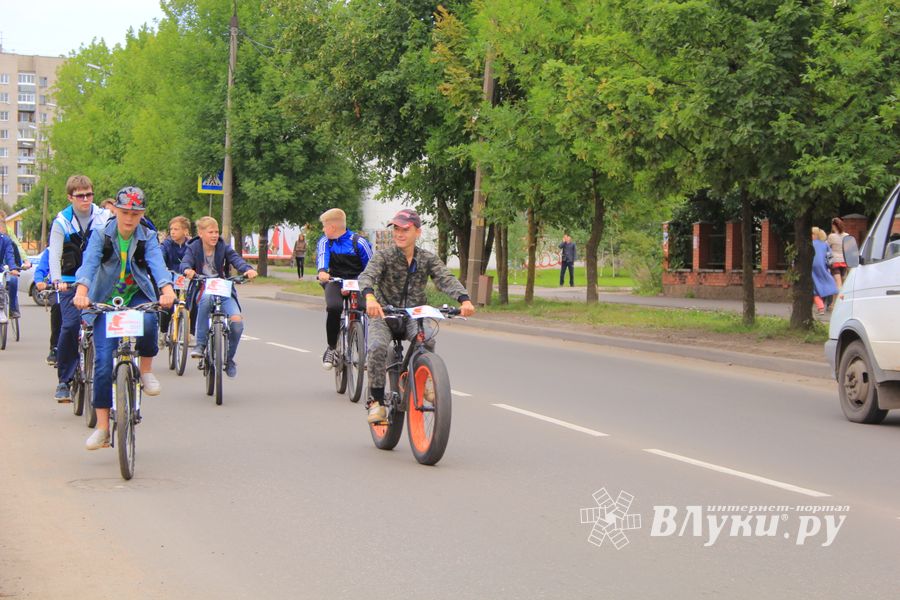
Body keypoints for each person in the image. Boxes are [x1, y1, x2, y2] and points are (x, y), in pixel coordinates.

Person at [72, 186, 175, 450]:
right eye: (125, 212)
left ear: (142, 214)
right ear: (116, 210)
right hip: (105, 298)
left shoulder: (148, 236)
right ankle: (104, 427)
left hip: (137, 295)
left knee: (151, 320)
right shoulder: (101, 234)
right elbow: (90, 263)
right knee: (104, 362)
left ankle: (147, 371)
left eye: (135, 213)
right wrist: (82, 292)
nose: (129, 218)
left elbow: (157, 265)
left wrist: (166, 290)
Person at [358, 208, 475, 423]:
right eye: (396, 229)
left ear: (417, 232)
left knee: (427, 339)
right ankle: (375, 401)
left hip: (414, 316)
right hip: (384, 314)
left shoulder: (426, 258)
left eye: (405, 229)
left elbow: (445, 278)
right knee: (376, 347)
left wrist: (464, 299)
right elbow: (367, 276)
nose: (400, 234)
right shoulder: (384, 256)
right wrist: (370, 298)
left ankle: (419, 380)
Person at [48, 175, 111, 402]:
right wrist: (57, 280)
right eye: (80, 195)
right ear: (70, 197)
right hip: (70, 281)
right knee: (70, 325)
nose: (85, 199)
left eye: (89, 194)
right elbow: (54, 254)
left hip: (97, 280)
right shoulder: (61, 222)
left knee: (106, 323)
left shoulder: (104, 217)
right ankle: (64, 380)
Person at [182, 216, 258, 378]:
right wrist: (188, 270)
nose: (215, 235)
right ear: (201, 233)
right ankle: (201, 345)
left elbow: (236, 260)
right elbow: (185, 263)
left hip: (223, 288)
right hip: (203, 286)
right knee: (206, 299)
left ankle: (229, 359)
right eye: (211, 232)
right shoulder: (193, 247)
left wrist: (247, 270)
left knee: (237, 322)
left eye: (217, 232)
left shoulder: (224, 247)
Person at [315, 208, 373, 369]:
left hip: (358, 282)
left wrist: (364, 283)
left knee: (365, 309)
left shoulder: (359, 242)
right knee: (334, 307)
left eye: (324, 226)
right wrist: (322, 272)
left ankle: (366, 351)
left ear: (332, 227)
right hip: (335, 280)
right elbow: (322, 259)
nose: (323, 230)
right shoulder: (325, 241)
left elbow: (371, 266)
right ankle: (332, 347)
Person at [158, 216, 191, 335]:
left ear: (185, 231)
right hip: (170, 278)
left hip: (186, 279)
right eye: (171, 229)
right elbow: (160, 257)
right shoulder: (166, 244)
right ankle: (163, 331)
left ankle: (190, 333)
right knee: (167, 305)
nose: (172, 232)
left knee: (192, 302)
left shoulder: (192, 245)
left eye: (176, 229)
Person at [33, 248, 62, 365]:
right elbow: (40, 270)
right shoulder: (51, 250)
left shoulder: (85, 243)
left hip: (80, 287)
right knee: (57, 306)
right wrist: (39, 281)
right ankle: (55, 347)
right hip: (57, 289)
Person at [812, 227, 838, 316]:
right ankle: (833, 294)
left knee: (814, 288)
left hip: (811, 268)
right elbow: (830, 258)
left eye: (812, 234)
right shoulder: (825, 244)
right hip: (823, 267)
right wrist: (831, 266)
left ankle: (820, 307)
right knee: (826, 282)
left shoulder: (809, 244)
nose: (811, 236)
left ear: (816, 235)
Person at [0, 226, 21, 323]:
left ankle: (11, 309)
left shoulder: (6, 240)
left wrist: (13, 268)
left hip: (2, 269)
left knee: (13, 280)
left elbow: (10, 255)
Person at [827, 217, 850, 302]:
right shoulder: (847, 236)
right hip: (844, 262)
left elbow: (826, 248)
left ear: (834, 225)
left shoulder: (831, 236)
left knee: (838, 283)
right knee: (840, 284)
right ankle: (833, 304)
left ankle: (841, 302)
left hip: (835, 262)